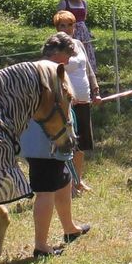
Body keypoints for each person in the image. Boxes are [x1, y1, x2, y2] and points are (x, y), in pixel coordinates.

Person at [20, 33, 92, 257]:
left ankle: (69, 228)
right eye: (67, 55)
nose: (69, 60)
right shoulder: (44, 70)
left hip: (55, 139)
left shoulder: (49, 70)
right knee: (45, 191)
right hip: (43, 142)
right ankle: (41, 246)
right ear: (57, 52)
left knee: (63, 181)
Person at [53, 10, 99, 192]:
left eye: (69, 25)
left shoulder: (79, 44)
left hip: (84, 100)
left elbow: (87, 68)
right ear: (56, 28)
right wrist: (65, 98)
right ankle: (66, 183)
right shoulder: (54, 47)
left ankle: (78, 181)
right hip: (66, 104)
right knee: (67, 144)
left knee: (81, 144)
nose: (66, 29)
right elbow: (53, 74)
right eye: (62, 25)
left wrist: (95, 89)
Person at [58, 0, 98, 68]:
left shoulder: (83, 2)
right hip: (70, 30)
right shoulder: (64, 2)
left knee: (85, 51)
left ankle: (88, 72)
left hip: (83, 31)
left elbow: (84, 18)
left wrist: (88, 32)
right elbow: (58, 18)